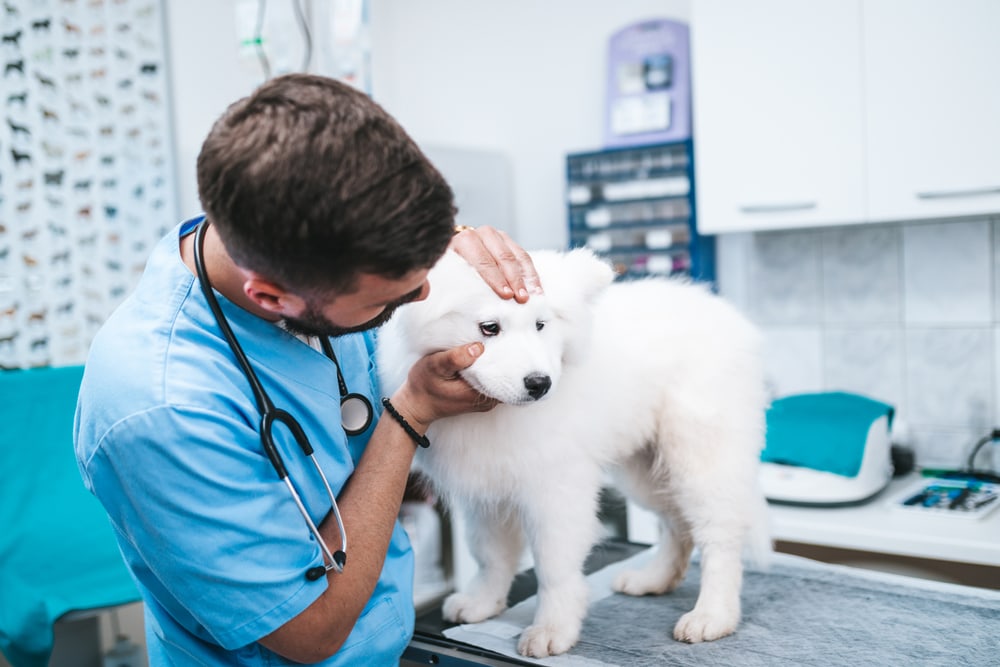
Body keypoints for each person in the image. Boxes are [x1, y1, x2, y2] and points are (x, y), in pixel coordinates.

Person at [74, 73, 540, 666]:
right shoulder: (160, 409)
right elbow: (309, 633)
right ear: (273, 298)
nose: (422, 295)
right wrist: (409, 415)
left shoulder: (288, 237)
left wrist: (441, 242)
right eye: (389, 299)